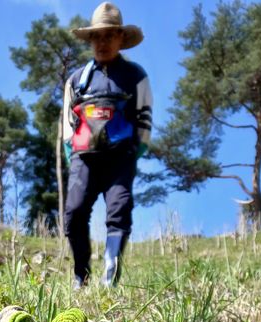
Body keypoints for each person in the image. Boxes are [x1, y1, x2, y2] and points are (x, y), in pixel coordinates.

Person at [63, 3, 152, 288]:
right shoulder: (76, 80)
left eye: (109, 35)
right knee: (74, 212)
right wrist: (70, 153)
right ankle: (81, 275)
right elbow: (68, 122)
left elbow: (144, 116)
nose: (102, 42)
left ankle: (110, 277)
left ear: (121, 38)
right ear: (90, 40)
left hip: (120, 158)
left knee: (119, 211)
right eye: (96, 36)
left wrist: (136, 151)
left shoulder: (135, 76)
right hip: (83, 158)